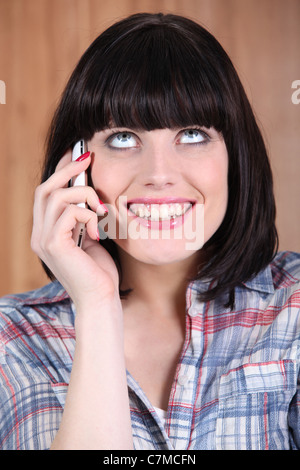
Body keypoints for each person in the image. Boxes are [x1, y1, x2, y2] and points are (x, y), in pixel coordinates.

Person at [0, 12, 299, 451]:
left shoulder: (293, 307)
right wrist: (98, 306)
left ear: (236, 156)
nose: (159, 175)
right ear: (76, 165)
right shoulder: (12, 339)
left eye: (193, 134)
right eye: (123, 138)